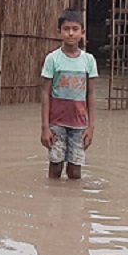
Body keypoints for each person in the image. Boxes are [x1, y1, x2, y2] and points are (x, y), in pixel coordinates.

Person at [40, 10, 98, 180]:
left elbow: (91, 94)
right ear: (59, 32)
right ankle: (53, 201)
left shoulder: (88, 60)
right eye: (66, 29)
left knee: (75, 170)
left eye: (75, 29)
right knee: (55, 166)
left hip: (80, 124)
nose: (71, 33)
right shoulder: (53, 59)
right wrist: (45, 127)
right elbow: (45, 93)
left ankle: (74, 205)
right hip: (57, 122)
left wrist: (91, 126)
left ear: (83, 33)